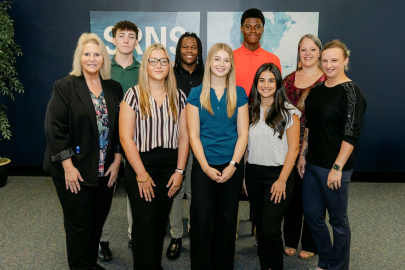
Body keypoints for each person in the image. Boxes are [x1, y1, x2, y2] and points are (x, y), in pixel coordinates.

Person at [44, 33, 123, 270]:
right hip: (74, 170)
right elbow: (54, 129)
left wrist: (117, 160)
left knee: (97, 221)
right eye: (86, 54)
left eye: (96, 54)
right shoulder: (65, 87)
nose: (91, 59)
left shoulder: (114, 88)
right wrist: (67, 167)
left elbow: (120, 128)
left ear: (103, 59)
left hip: (104, 170)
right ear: (79, 58)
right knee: (80, 224)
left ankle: (89, 262)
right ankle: (80, 266)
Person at [119, 43, 189, 270]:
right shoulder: (133, 95)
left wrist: (179, 172)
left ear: (169, 65)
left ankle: (154, 265)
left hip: (169, 167)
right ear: (145, 65)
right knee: (144, 222)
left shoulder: (179, 97)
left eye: (163, 61)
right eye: (153, 60)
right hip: (141, 165)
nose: (159, 65)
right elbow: (126, 138)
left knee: (160, 223)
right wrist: (141, 174)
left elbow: (184, 138)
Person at [299, 40, 367, 270]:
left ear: (345, 60)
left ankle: (338, 266)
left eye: (334, 60)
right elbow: (309, 126)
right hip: (312, 165)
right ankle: (326, 260)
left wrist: (337, 168)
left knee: (338, 222)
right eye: (325, 60)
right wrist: (302, 155)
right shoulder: (317, 91)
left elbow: (351, 135)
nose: (329, 65)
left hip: (335, 168)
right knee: (312, 216)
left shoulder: (351, 92)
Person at [187, 43, 249, 270]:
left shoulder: (239, 94)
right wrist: (204, 168)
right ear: (209, 62)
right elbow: (193, 135)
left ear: (231, 64)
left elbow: (243, 134)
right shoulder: (195, 94)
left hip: (231, 166)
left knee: (226, 221)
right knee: (201, 222)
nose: (221, 64)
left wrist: (233, 165)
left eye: (226, 60)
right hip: (204, 167)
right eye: (217, 59)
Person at [245, 63, 300, 270]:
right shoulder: (250, 112)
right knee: (261, 228)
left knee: (270, 229)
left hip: (279, 175)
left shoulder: (289, 112)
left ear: (278, 84)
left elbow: (294, 149)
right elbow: (247, 147)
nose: (266, 85)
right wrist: (244, 175)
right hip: (253, 175)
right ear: (256, 83)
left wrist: (282, 180)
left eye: (271, 80)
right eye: (261, 80)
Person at [99, 19, 141, 261]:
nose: (126, 41)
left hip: (136, 140)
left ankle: (134, 235)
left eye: (131, 36)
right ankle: (102, 240)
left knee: (136, 190)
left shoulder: (144, 68)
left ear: (137, 41)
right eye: (121, 36)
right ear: (113, 40)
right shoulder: (103, 67)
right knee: (106, 191)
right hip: (108, 142)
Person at [282, 34, 326, 260]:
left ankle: (310, 242)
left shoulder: (327, 81)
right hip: (288, 147)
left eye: (312, 49)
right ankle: (290, 239)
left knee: (313, 197)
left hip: (316, 148)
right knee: (292, 196)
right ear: (298, 53)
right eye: (303, 50)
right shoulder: (288, 80)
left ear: (319, 53)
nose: (307, 54)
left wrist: (304, 152)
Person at [166, 32, 204, 260]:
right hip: (176, 140)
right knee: (177, 191)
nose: (189, 50)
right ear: (179, 49)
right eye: (184, 46)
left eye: (194, 47)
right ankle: (176, 236)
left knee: (196, 191)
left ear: (199, 50)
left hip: (201, 141)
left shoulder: (206, 74)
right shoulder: (169, 73)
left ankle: (197, 234)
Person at [234, 8, 282, 97]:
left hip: (263, 110)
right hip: (236, 109)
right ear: (241, 29)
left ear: (263, 29)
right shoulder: (230, 58)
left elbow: (277, 92)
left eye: (257, 27)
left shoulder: (273, 59)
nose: (253, 30)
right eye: (248, 26)